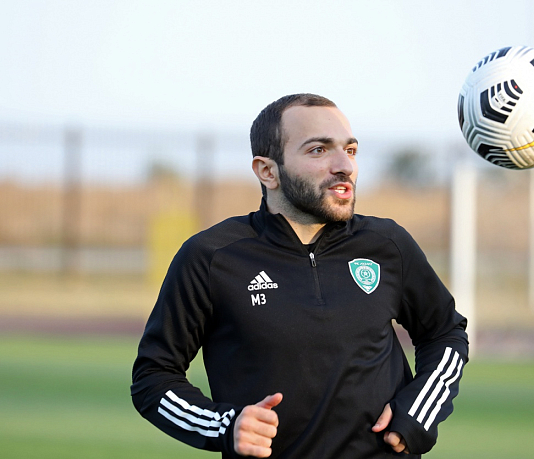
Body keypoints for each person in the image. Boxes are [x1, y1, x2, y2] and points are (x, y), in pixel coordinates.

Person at [131, 93, 469, 458]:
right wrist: (224, 425)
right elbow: (154, 377)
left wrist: (419, 410)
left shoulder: (387, 244)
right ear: (267, 171)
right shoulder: (212, 258)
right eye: (318, 150)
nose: (344, 166)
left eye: (350, 150)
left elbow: (445, 332)